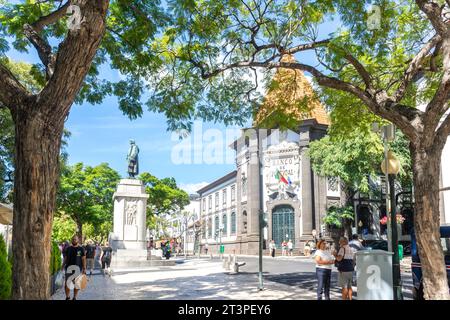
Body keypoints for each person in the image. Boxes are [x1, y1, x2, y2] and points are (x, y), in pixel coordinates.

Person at [61, 235, 86, 300]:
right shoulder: (68, 249)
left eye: (75, 239)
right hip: (68, 268)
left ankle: (74, 297)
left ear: (78, 240)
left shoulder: (81, 249)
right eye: (73, 239)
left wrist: (84, 268)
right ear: (71, 240)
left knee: (77, 284)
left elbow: (83, 259)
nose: (74, 240)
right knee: (67, 284)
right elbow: (65, 258)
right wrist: (62, 266)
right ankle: (67, 297)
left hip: (78, 268)